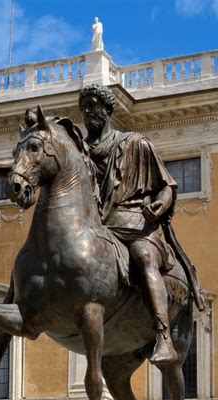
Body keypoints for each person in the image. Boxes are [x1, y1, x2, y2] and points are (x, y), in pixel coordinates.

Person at [78, 83, 204, 365]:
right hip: (100, 227)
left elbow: (167, 186)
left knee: (144, 257)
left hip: (138, 224)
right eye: (84, 106)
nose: (88, 111)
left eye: (94, 104)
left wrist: (159, 205)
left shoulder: (135, 143)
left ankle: (163, 335)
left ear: (108, 109)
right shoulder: (79, 152)